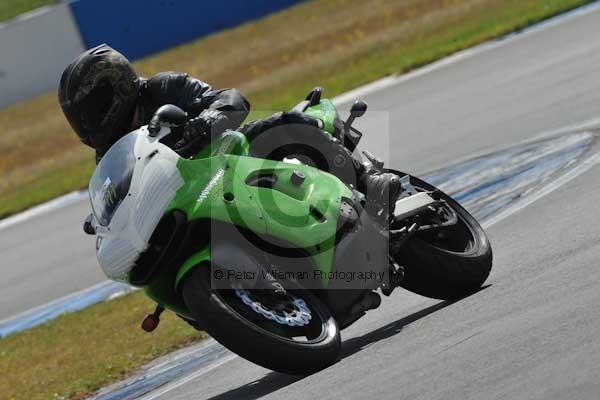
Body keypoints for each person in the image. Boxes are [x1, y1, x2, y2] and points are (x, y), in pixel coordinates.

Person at [58, 44, 400, 217]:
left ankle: (369, 185)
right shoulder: (107, 152)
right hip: (196, 192)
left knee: (287, 126)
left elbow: (231, 100)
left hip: (232, 152)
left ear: (115, 86)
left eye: (92, 110)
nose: (87, 125)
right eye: (79, 118)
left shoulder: (161, 87)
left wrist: (204, 122)